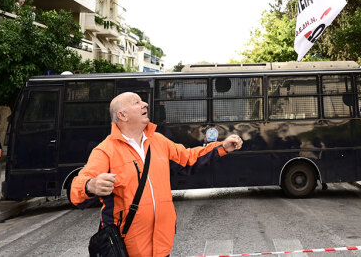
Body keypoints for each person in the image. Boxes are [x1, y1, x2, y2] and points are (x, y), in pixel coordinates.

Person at [70, 91, 243, 257]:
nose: (145, 104)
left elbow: (188, 158)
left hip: (162, 245)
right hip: (126, 248)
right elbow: (77, 189)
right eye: (136, 102)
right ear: (122, 115)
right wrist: (90, 185)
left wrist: (222, 148)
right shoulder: (105, 150)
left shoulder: (158, 141)